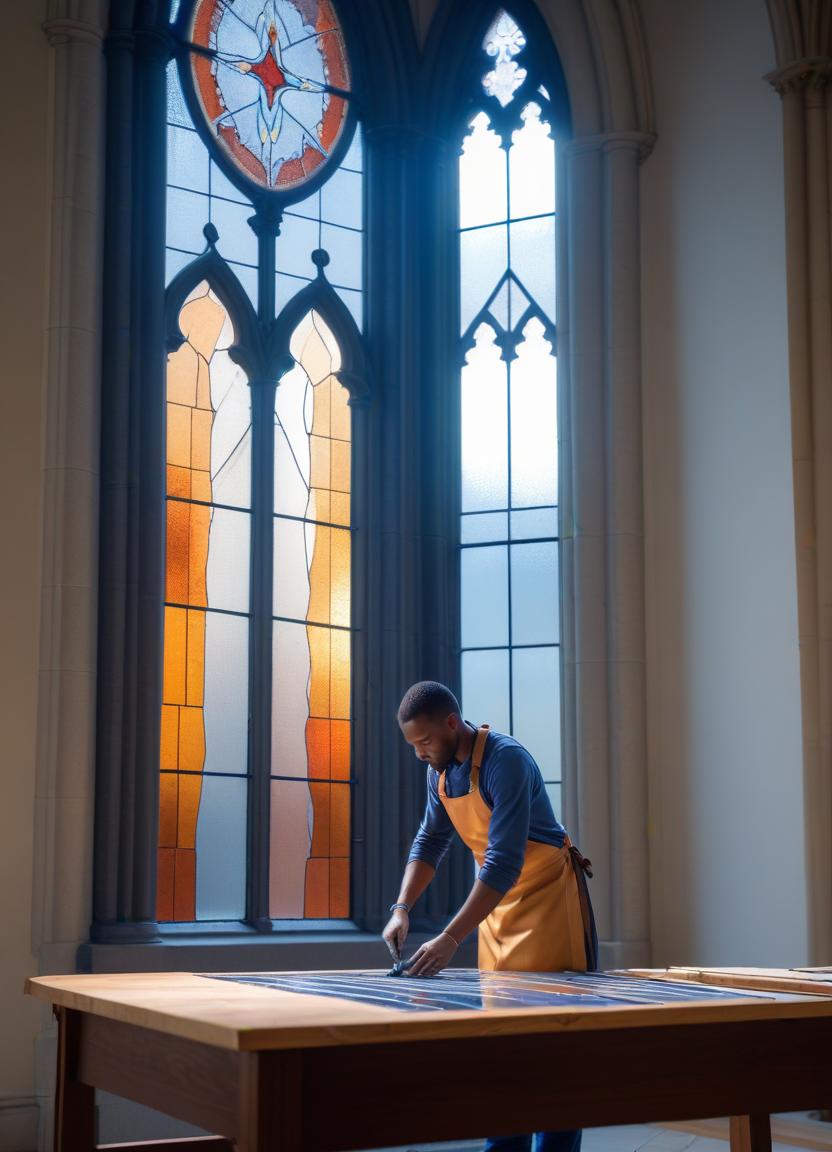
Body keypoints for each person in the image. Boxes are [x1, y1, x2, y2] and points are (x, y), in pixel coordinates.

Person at [383, 680, 597, 1152]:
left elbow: (503, 862)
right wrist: (402, 910)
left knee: (552, 1050)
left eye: (424, 741)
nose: (419, 753)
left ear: (451, 723)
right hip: (495, 912)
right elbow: (430, 841)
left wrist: (449, 938)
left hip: (548, 904)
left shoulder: (507, 760)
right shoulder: (438, 772)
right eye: (412, 745)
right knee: (503, 1047)